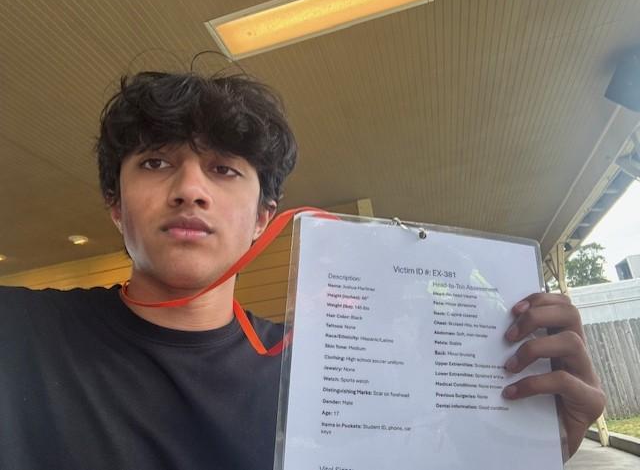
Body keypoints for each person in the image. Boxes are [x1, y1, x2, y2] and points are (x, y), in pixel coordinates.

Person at [0, 70, 605, 469]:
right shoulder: (19, 333)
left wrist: (527, 451)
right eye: (156, 162)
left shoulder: (324, 374)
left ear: (263, 217)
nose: (190, 189)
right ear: (115, 204)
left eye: (224, 169)